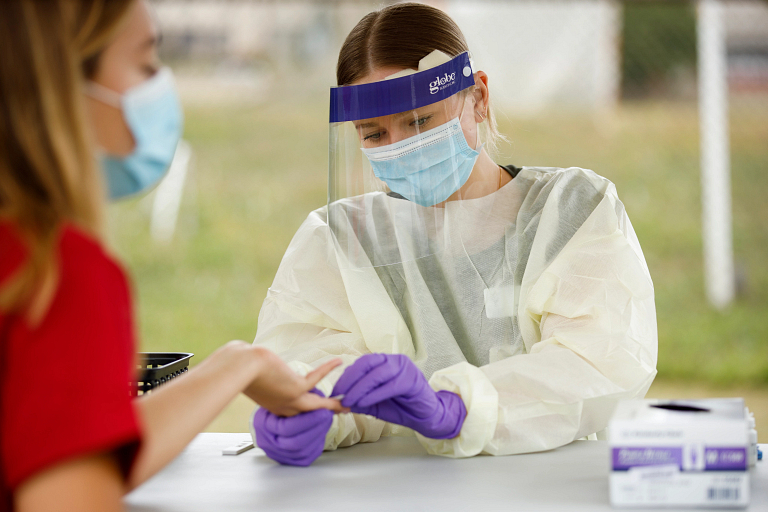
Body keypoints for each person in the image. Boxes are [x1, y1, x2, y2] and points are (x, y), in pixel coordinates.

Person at [250, 2, 658, 465]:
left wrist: (461, 408)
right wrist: (312, 410)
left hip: (543, 484)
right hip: (396, 492)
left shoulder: (572, 213)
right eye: (374, 134)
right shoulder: (340, 239)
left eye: (420, 121)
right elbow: (310, 357)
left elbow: (599, 363)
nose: (400, 145)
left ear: (478, 98)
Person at [0, 1, 344, 510]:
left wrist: (239, 364)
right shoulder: (58, 275)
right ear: (60, 83)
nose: (161, 87)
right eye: (145, 64)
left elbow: (65, 447)